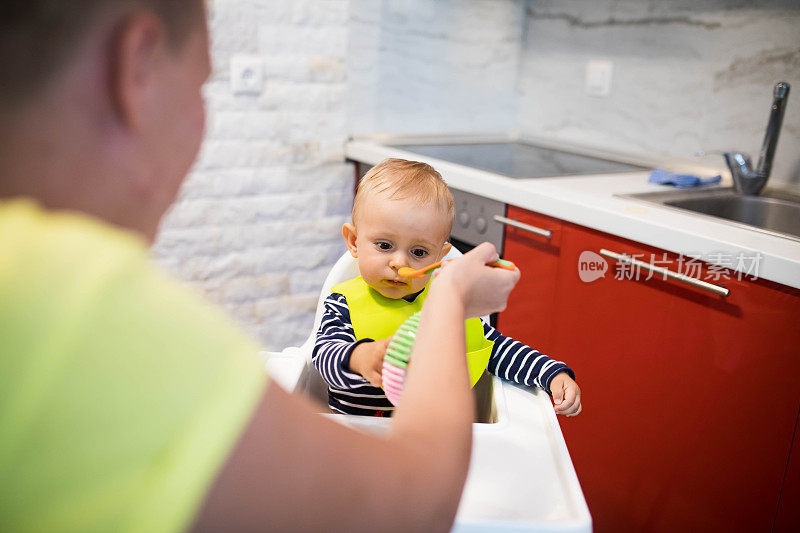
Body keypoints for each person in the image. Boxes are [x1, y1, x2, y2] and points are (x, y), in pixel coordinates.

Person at [0, 2, 520, 532]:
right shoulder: (78, 313)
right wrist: (451, 293)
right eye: (203, 87)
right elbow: (413, 506)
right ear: (138, 66)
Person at [312, 159, 582, 417]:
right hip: (359, 434)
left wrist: (551, 374)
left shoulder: (449, 303)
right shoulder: (344, 303)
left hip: (432, 436)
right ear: (354, 241)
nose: (399, 262)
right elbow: (323, 356)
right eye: (385, 246)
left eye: (418, 251)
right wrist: (361, 357)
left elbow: (496, 349)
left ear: (440, 256)